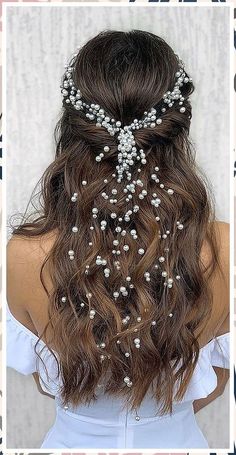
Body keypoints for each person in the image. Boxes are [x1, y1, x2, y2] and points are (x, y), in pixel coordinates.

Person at [7, 30, 229, 449]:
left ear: (74, 129)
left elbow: (51, 382)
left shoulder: (22, 255)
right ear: (175, 131)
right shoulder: (225, 251)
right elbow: (213, 384)